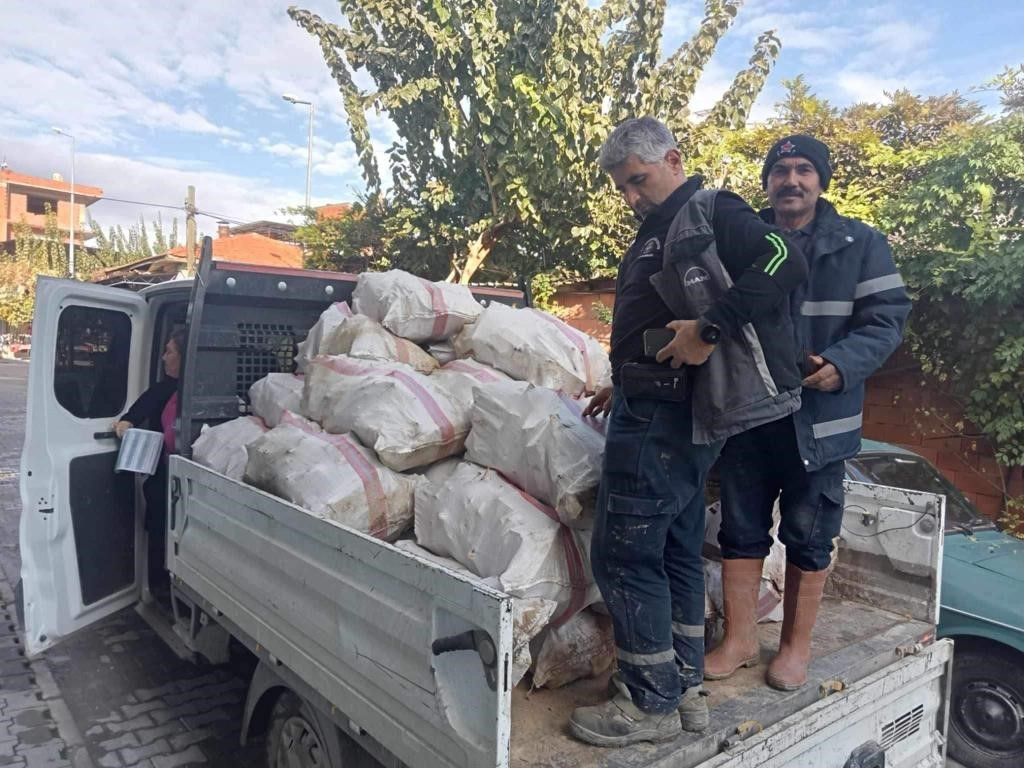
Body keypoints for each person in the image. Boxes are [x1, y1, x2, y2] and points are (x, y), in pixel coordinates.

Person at [569, 117, 808, 747]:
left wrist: (709, 331)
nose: (631, 197)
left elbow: (784, 259)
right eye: (622, 187)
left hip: (667, 419)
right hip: (656, 406)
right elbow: (658, 319)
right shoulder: (661, 228)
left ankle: (645, 705)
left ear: (673, 159)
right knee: (673, 549)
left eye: (638, 181)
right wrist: (622, 377)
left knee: (624, 551)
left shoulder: (710, 209)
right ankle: (682, 693)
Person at [704, 135, 911, 691]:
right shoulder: (746, 241)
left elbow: (887, 319)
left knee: (809, 535)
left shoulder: (860, 243)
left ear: (821, 181)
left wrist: (842, 364)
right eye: (780, 171)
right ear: (767, 182)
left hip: (820, 421)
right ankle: (742, 640)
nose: (790, 180)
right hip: (750, 414)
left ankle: (794, 648)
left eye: (803, 170)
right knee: (741, 530)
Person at [113, 328, 186, 583]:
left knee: (159, 534)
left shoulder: (161, 390)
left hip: (165, 482)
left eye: (169, 352)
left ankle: (161, 589)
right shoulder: (213, 388)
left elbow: (127, 422)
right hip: (187, 483)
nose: (164, 358)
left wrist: (127, 434)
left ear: (183, 356)